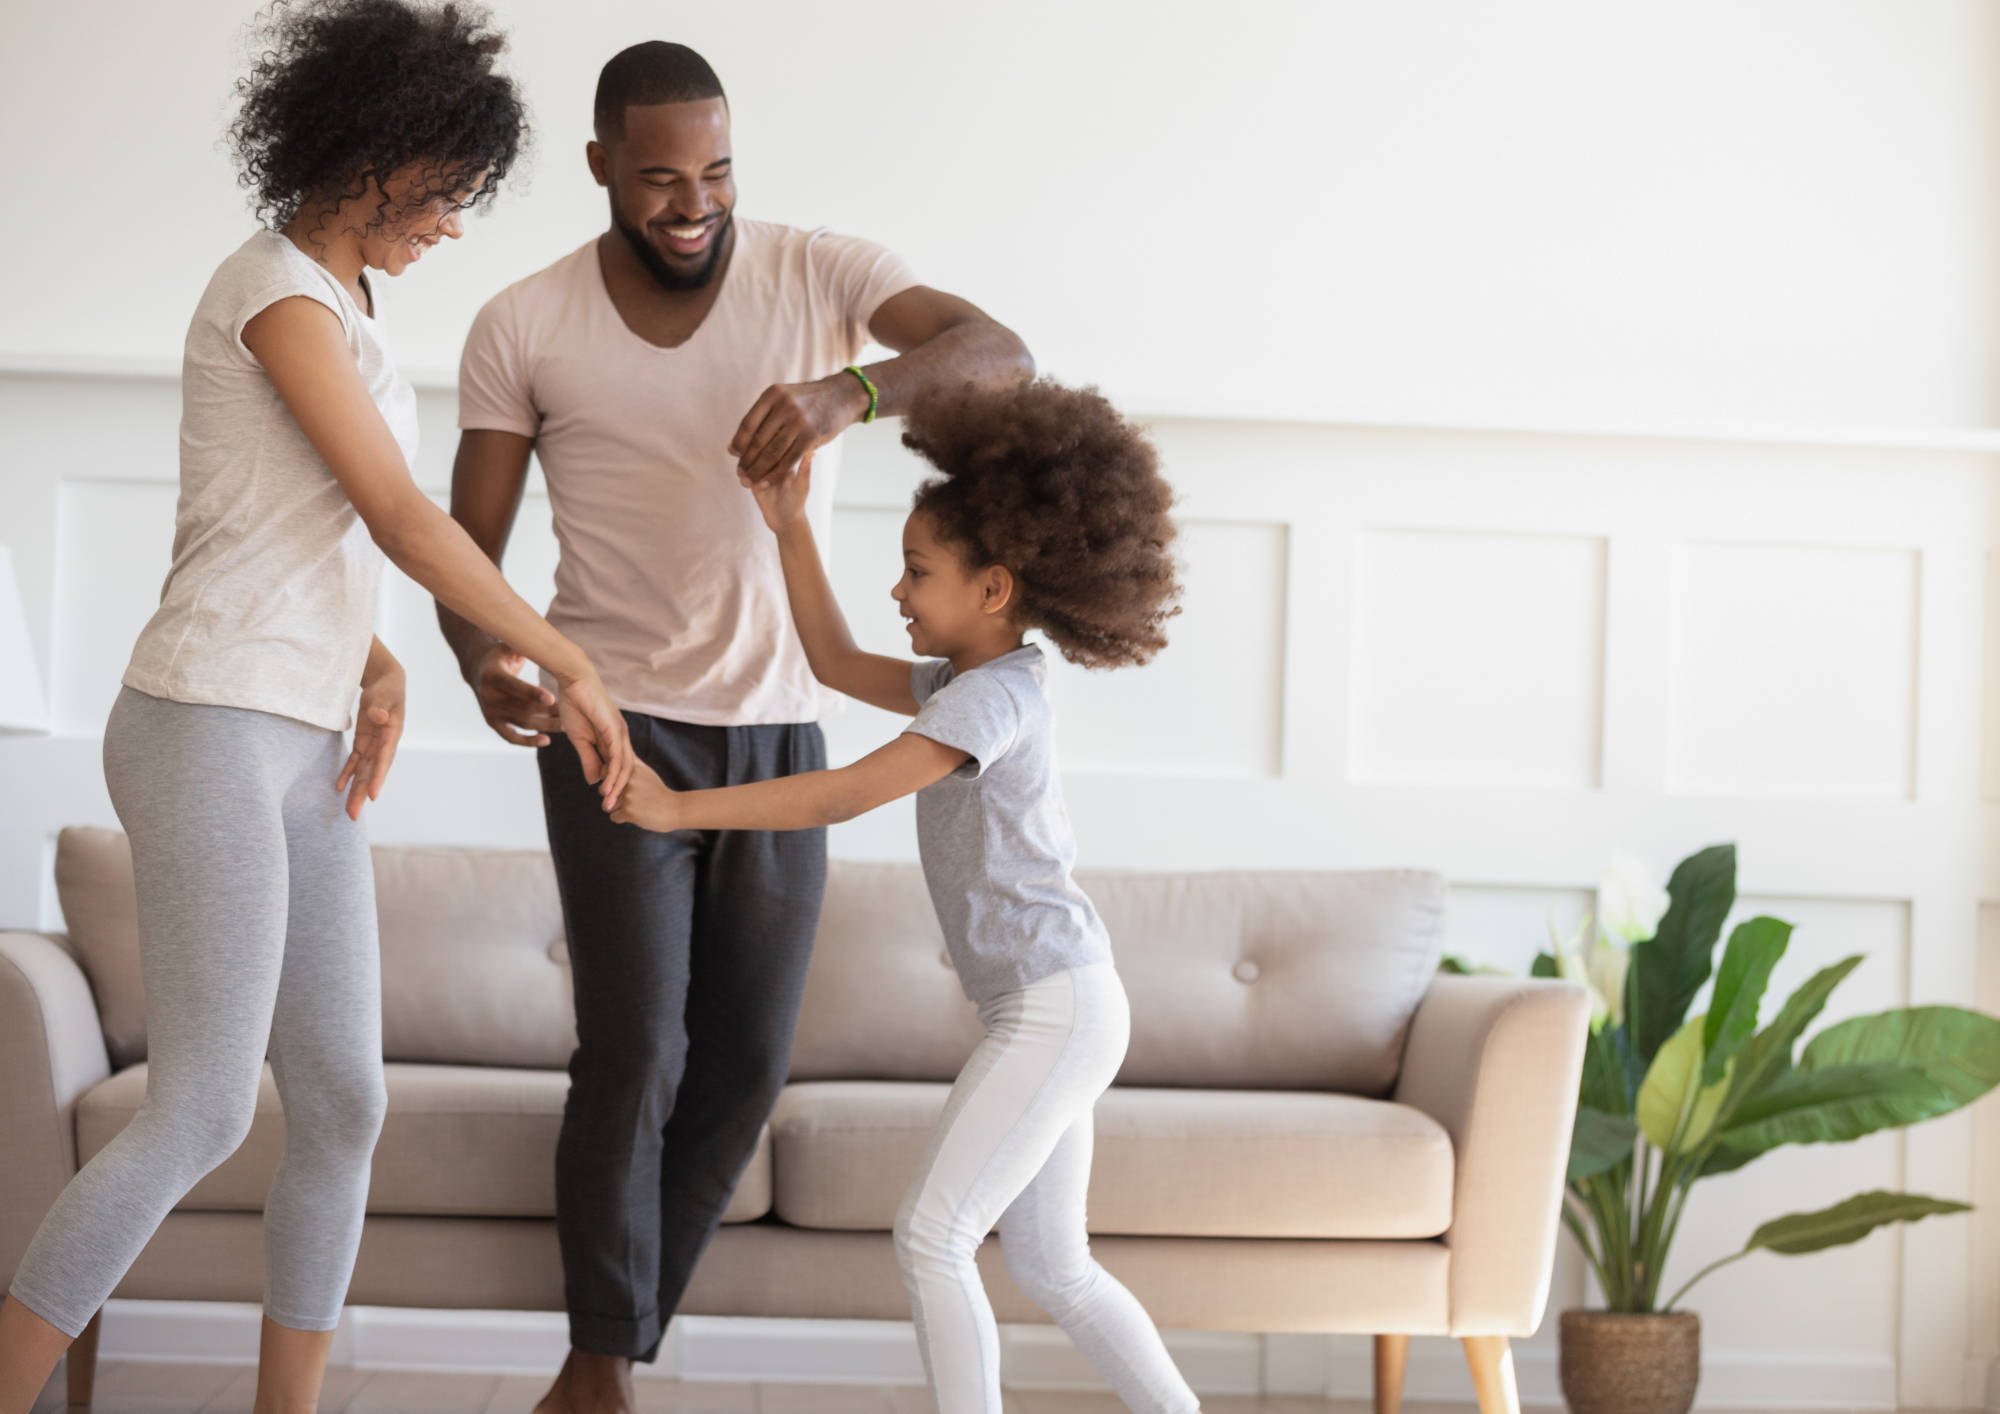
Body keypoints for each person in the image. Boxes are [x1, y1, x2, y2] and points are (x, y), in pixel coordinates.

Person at [0, 5, 633, 1411]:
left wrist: (376, 657)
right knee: (204, 1106)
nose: (455, 224)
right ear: (378, 155)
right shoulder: (274, 294)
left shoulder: (353, 304)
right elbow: (401, 513)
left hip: (303, 734)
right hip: (207, 721)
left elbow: (310, 530)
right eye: (450, 191)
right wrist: (572, 658)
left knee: (343, 1099)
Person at [436, 40, 1034, 1413]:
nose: (694, 202)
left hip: (777, 725)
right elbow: (466, 551)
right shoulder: (522, 324)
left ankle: (608, 1351)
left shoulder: (818, 274)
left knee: (748, 1063)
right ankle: (599, 1371)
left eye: (716, 171)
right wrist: (480, 660)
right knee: (635, 1051)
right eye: (660, 178)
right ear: (601, 165)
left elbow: (1000, 354)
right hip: (610, 724)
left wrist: (847, 391)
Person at [608, 379, 1196, 1414]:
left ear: (994, 588)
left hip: (1054, 1005)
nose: (899, 590)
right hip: (1062, 1000)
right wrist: (789, 524)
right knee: (1052, 1264)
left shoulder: (991, 701)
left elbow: (843, 793)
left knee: (933, 1234)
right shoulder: (971, 682)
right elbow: (833, 660)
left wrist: (675, 808)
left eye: (918, 572)